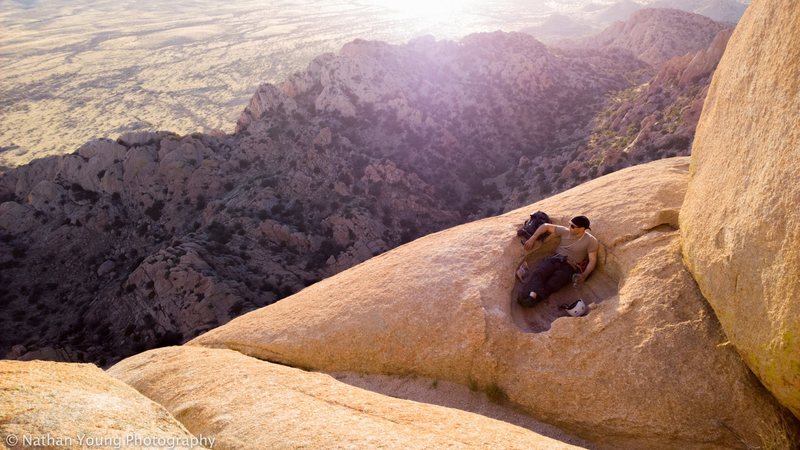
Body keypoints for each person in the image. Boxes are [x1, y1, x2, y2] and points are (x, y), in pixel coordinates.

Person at [518, 215, 598, 307]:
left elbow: (592, 260)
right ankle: (531, 295)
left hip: (569, 266)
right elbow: (545, 226)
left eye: (572, 226)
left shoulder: (591, 241)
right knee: (539, 272)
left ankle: (533, 298)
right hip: (555, 259)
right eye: (569, 224)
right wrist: (533, 238)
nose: (569, 227)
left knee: (553, 283)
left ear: (582, 228)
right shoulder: (566, 231)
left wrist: (584, 275)